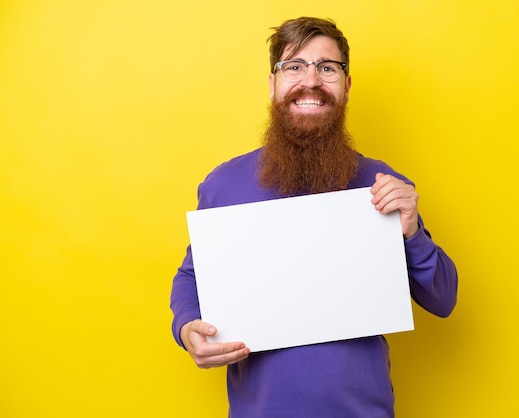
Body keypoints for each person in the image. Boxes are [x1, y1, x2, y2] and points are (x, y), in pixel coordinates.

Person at [170, 16, 458, 418]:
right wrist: (186, 328)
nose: (311, 81)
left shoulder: (382, 185)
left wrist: (412, 234)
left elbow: (443, 299)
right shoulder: (224, 184)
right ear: (273, 83)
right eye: (294, 66)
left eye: (327, 68)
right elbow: (191, 276)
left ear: (346, 85)